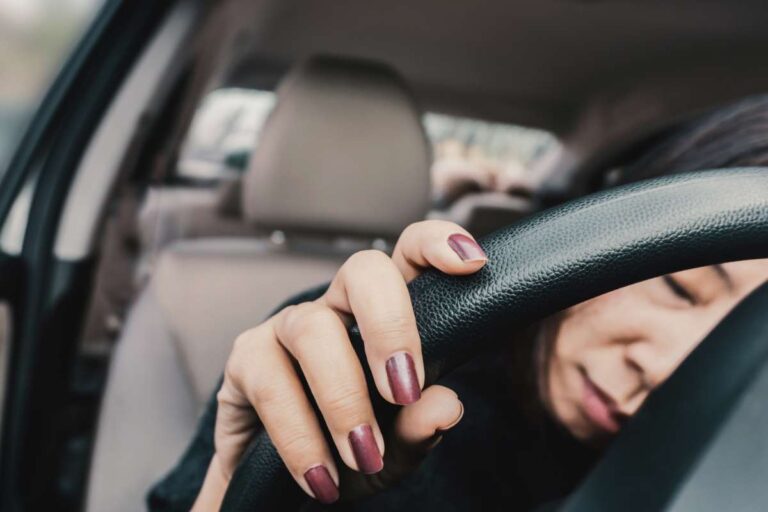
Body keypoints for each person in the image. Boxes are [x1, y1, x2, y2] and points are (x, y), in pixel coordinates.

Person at [149, 95, 768, 511]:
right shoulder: (376, 357)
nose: (663, 368)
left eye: (738, 345)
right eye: (679, 284)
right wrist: (239, 485)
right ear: (610, 221)